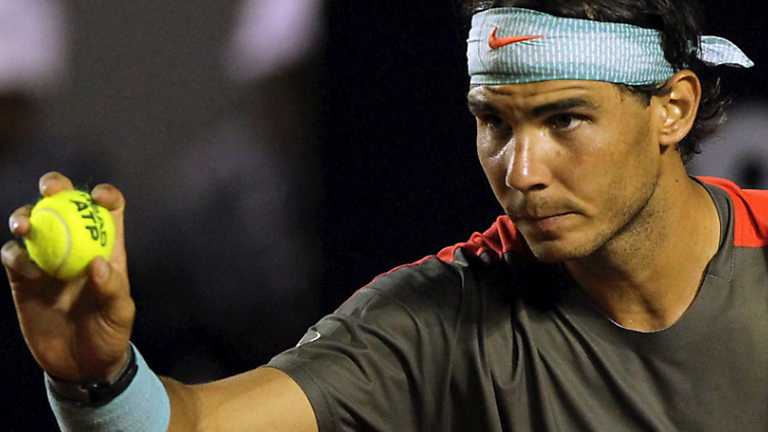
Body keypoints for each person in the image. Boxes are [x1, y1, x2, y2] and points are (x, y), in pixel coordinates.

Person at [2, 0, 763, 430]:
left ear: (673, 108)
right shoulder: (432, 320)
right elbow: (189, 424)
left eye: (565, 119)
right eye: (494, 123)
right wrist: (98, 380)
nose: (520, 171)